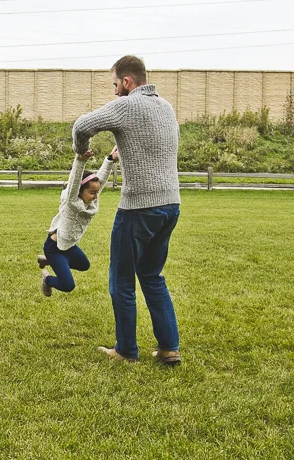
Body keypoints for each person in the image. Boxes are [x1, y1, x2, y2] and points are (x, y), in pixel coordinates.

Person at [72, 55, 183, 365]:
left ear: (127, 82)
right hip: (170, 205)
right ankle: (169, 347)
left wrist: (81, 151)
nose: (114, 91)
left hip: (138, 207)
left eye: (115, 84)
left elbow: (82, 126)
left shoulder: (127, 105)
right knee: (152, 275)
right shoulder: (166, 106)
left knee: (121, 280)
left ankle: (126, 350)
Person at [38, 149, 116, 297]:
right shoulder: (72, 202)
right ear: (79, 191)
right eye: (92, 193)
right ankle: (47, 279)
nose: (95, 196)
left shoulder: (91, 203)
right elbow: (74, 181)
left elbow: (101, 180)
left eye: (96, 193)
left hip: (69, 246)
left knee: (84, 265)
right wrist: (80, 160)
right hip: (55, 247)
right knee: (68, 285)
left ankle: (51, 261)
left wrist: (110, 159)